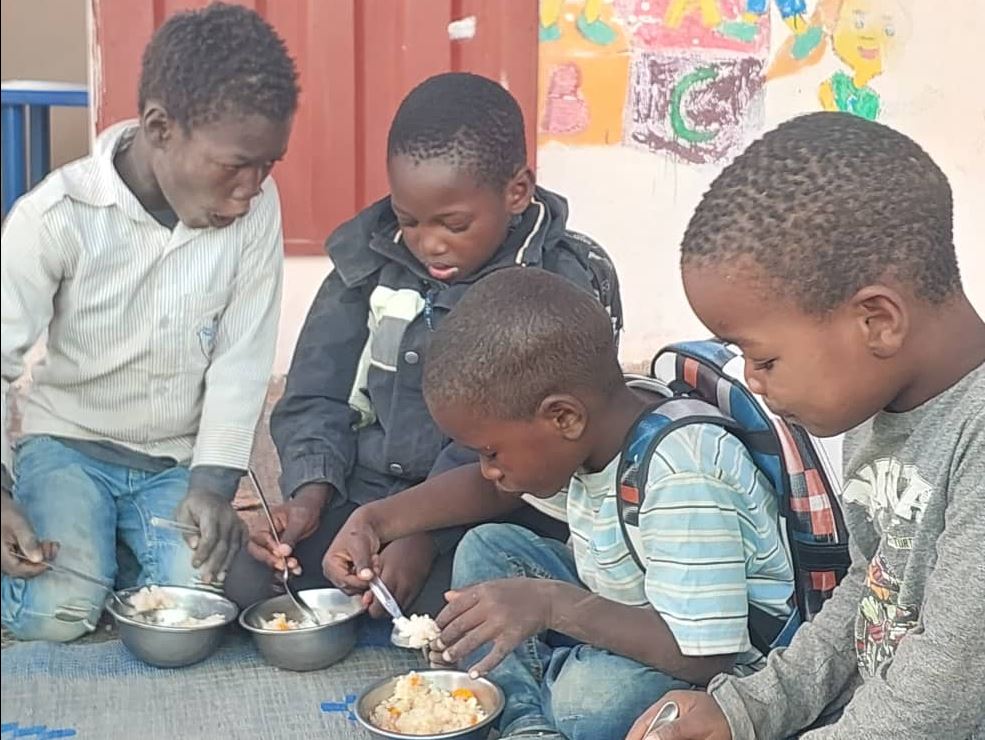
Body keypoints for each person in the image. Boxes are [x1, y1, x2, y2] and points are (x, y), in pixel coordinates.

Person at [627, 112, 985, 740]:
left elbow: (938, 701)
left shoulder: (974, 438)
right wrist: (745, 709)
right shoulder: (882, 409)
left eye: (764, 360)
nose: (753, 381)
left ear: (877, 322)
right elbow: (871, 589)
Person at [323, 268, 794, 740]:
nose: (488, 469)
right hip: (629, 604)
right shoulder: (595, 430)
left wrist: (550, 605)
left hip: (711, 660)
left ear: (563, 417)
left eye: (491, 453)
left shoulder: (680, 470)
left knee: (587, 703)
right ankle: (526, 721)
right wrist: (376, 520)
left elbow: (704, 655)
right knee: (487, 547)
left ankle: (541, 688)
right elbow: (491, 491)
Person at [224, 72, 620, 618]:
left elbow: (523, 453)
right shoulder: (367, 266)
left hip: (491, 506)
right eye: (408, 219)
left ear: (516, 192)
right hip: (366, 499)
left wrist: (422, 536)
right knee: (253, 579)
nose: (429, 243)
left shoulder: (554, 282)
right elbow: (316, 394)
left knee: (456, 601)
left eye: (453, 224)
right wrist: (311, 495)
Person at [0, 2, 299, 642]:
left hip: (174, 464)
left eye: (268, 165)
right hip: (68, 447)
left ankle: (112, 548)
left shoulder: (255, 211)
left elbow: (242, 361)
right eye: (235, 165)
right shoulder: (56, 215)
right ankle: (93, 548)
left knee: (196, 613)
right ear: (161, 128)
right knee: (57, 614)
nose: (251, 188)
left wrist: (212, 484)